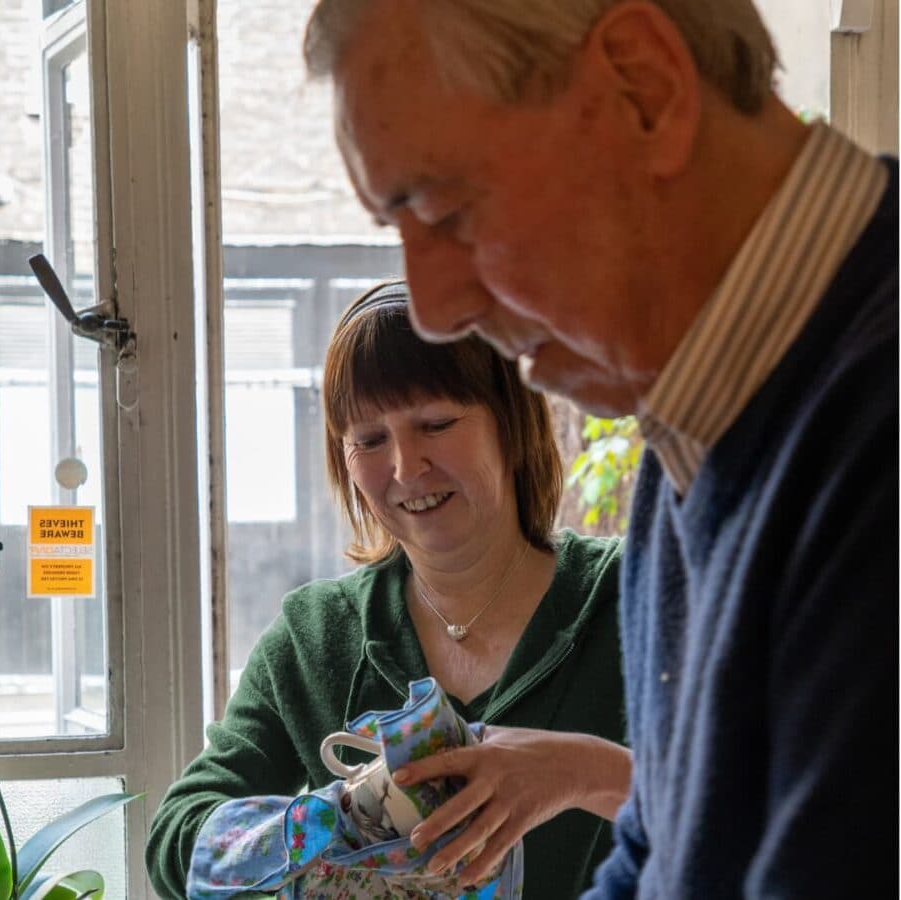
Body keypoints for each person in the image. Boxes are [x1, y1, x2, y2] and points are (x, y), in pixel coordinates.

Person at [304, 1, 899, 898]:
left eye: (450, 210)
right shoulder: (695, 423)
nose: (434, 308)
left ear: (644, 88)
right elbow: (660, 858)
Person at [145, 280, 632, 899]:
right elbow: (174, 844)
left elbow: (756, 804)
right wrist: (338, 816)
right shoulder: (316, 636)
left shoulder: (629, 598)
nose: (405, 467)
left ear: (512, 425)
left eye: (436, 424)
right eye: (369, 440)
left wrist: (582, 772)